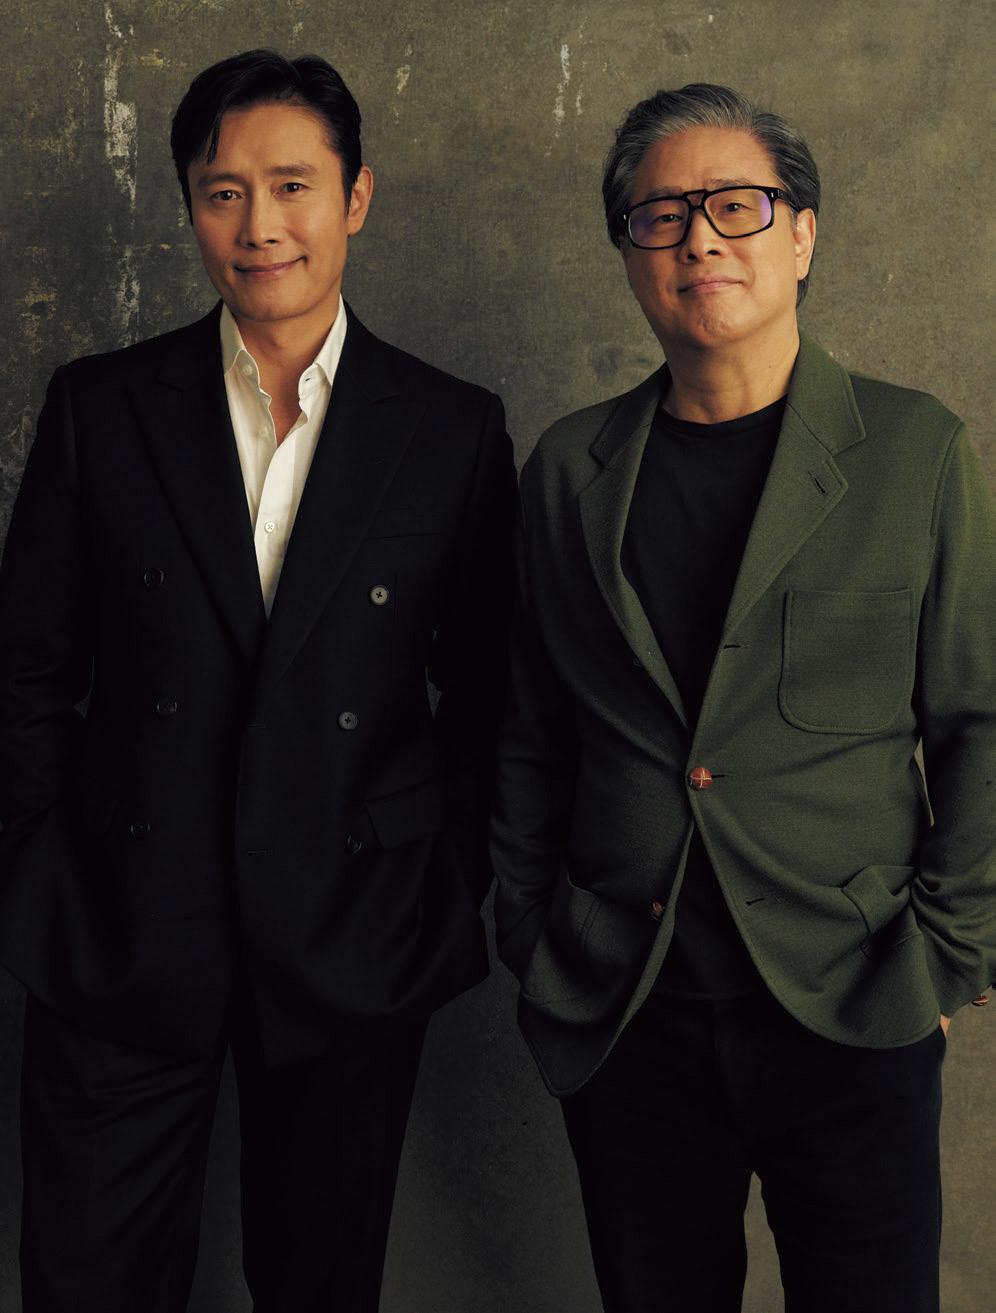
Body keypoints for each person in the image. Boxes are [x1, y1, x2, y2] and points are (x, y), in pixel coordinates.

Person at [0, 48, 514, 1312]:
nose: (259, 224)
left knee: (319, 1282)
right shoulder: (102, 407)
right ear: (189, 204)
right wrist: (42, 874)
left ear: (356, 198)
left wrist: (438, 884)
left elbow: (490, 699)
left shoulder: (449, 427)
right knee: (88, 1279)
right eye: (222, 191)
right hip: (121, 925)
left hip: (353, 926)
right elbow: (23, 670)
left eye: (292, 185)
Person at [491, 82, 994, 1313]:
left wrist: (946, 958)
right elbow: (532, 732)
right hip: (631, 1009)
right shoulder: (567, 471)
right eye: (660, 215)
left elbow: (980, 722)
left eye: (737, 206)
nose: (699, 238)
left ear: (803, 234)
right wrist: (533, 929)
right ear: (630, 253)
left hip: (853, 997)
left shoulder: (915, 450)